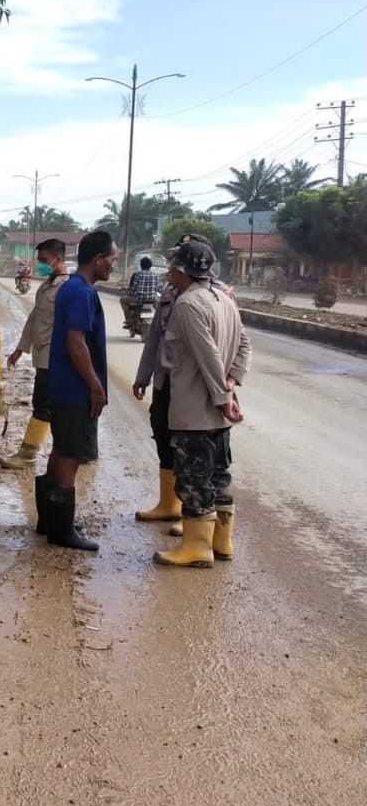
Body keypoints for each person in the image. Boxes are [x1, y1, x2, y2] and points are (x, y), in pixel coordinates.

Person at [154, 239, 250, 567]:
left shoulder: (188, 303)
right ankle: (222, 541)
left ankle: (196, 548)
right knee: (219, 475)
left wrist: (224, 398)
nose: (169, 273)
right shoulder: (224, 300)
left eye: (172, 268)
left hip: (195, 408)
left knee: (194, 478)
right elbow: (244, 345)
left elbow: (206, 355)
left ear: (182, 270)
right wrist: (232, 384)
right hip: (219, 412)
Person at [130, 233, 219, 530]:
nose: (174, 264)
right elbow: (154, 336)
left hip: (197, 385)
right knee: (164, 436)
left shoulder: (215, 295)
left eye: (181, 255)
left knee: (195, 450)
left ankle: (190, 511)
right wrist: (143, 376)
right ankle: (169, 504)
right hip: (166, 381)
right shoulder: (169, 292)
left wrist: (226, 386)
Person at [38, 230, 119, 552]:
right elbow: (76, 343)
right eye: (112, 259)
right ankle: (62, 530)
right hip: (74, 391)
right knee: (70, 454)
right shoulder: (81, 292)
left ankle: (52, 520)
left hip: (65, 387)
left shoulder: (73, 288)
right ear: (98, 259)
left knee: (60, 449)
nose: (113, 265)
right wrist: (95, 386)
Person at [0, 238, 69, 471]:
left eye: (43, 260)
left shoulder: (67, 289)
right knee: (45, 405)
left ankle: (27, 455)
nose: (40, 265)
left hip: (55, 360)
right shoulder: (47, 286)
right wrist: (20, 349)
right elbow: (34, 320)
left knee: (43, 406)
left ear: (58, 259)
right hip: (42, 358)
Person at [121, 256, 163, 330]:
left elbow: (133, 287)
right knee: (159, 309)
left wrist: (129, 293)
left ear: (141, 265)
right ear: (150, 266)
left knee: (122, 300)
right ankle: (160, 323)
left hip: (139, 299)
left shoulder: (138, 274)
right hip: (152, 299)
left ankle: (129, 320)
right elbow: (159, 289)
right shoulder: (156, 275)